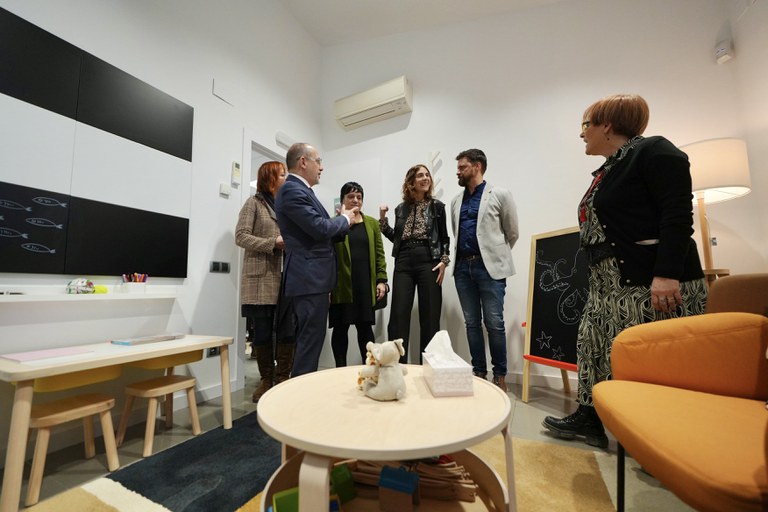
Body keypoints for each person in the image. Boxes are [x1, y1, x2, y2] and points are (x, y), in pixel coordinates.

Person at [542, 94, 708, 448]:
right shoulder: (610, 168)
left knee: (647, 359)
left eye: (586, 125)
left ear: (607, 126)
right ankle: (590, 416)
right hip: (608, 285)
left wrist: (667, 274)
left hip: (645, 281)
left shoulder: (654, 151)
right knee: (592, 344)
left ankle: (660, 438)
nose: (582, 134)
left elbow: (678, 216)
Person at [275, 143, 358, 377]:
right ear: (303, 162)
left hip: (313, 280)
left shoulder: (303, 191)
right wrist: (344, 219)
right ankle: (299, 396)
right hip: (308, 279)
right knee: (309, 345)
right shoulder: (292, 190)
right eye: (318, 161)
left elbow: (318, 233)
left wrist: (342, 223)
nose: (321, 167)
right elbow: (319, 228)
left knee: (310, 343)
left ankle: (301, 393)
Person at [451, 149, 519, 392]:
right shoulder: (455, 201)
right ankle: (478, 372)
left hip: (489, 269)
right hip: (462, 269)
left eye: (462, 167)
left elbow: (512, 232)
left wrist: (493, 256)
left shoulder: (500, 194)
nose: (458, 172)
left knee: (494, 323)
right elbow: (456, 233)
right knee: (471, 323)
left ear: (477, 166)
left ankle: (499, 376)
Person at [379, 164, 450, 363]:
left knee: (430, 315)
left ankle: (427, 366)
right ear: (411, 181)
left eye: (427, 175)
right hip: (404, 260)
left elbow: (444, 238)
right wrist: (383, 219)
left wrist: (444, 261)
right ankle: (396, 366)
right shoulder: (401, 209)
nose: (425, 178)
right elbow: (396, 238)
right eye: (420, 175)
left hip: (429, 259)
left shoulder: (437, 207)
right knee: (398, 314)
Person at [235, 161, 293, 402]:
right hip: (260, 279)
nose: (286, 179)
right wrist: (272, 243)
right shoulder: (253, 203)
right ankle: (266, 380)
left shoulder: (287, 206)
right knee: (262, 332)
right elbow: (240, 236)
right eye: (282, 175)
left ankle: (283, 377)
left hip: (287, 276)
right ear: (269, 180)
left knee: (287, 329)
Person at [329, 182, 389, 366]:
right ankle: (339, 370)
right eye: (351, 196)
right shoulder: (334, 223)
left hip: (365, 284)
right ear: (342, 200)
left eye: (359, 197)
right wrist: (327, 286)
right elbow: (328, 256)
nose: (355, 200)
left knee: (365, 330)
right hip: (341, 285)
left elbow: (379, 254)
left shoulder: (371, 223)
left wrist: (381, 280)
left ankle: (369, 369)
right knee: (340, 329)